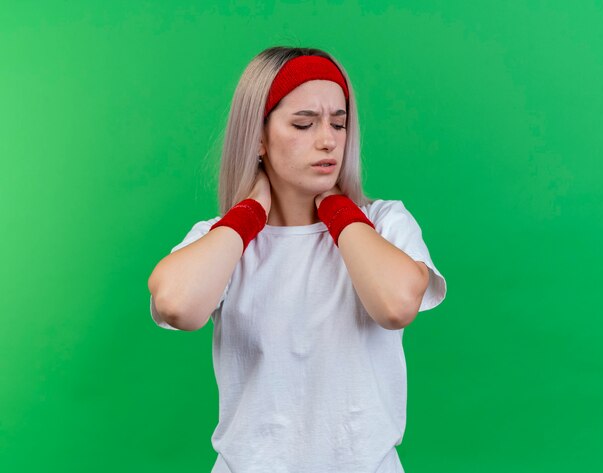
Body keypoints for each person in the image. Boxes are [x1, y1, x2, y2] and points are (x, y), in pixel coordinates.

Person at [147, 46, 447, 473]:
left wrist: (337, 208)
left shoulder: (384, 222)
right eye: (304, 124)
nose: (328, 140)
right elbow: (176, 304)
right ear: (258, 138)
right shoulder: (221, 238)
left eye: (339, 124)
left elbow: (397, 305)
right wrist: (249, 214)